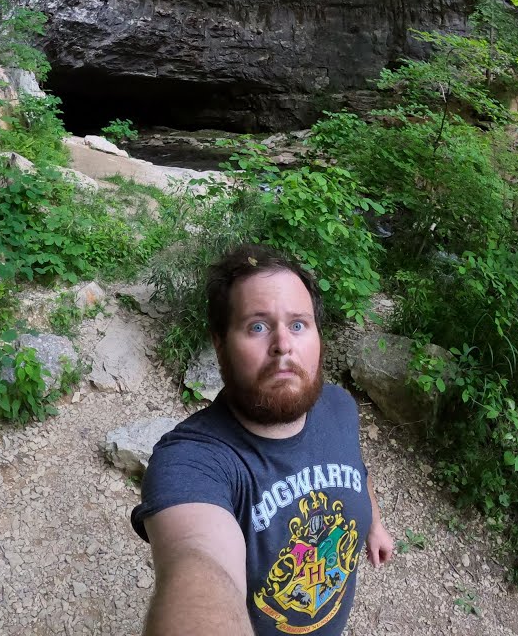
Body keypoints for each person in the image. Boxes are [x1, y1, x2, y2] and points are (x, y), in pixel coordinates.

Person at [132, 244, 394, 635]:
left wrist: (373, 522)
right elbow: (199, 559)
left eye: (299, 325)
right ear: (220, 346)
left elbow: (356, 467)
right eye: (257, 326)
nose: (283, 345)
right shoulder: (192, 462)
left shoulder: (339, 406)